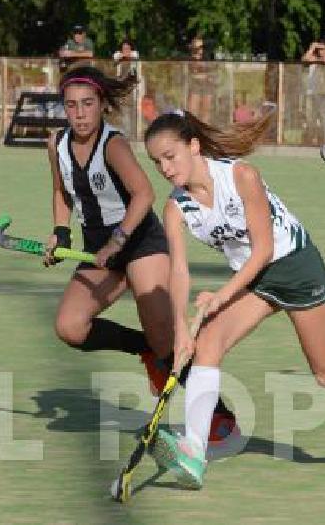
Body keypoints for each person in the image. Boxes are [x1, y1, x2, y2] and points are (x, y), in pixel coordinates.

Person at [143, 109, 325, 489]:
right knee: (206, 344)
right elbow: (178, 271)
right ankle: (194, 452)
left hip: (295, 267)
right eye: (157, 162)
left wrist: (220, 296)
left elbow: (264, 249)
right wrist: (179, 330)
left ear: (193, 145)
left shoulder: (240, 176)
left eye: (171, 157)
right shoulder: (175, 207)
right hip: (251, 279)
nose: (166, 168)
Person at [44, 66, 237, 445]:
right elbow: (60, 193)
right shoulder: (57, 145)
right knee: (70, 327)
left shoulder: (112, 144)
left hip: (140, 241)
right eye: (71, 106)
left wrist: (117, 241)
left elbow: (145, 194)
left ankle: (217, 413)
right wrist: (61, 232)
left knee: (167, 338)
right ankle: (145, 349)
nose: (80, 113)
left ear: (102, 105)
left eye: (87, 104)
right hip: (101, 250)